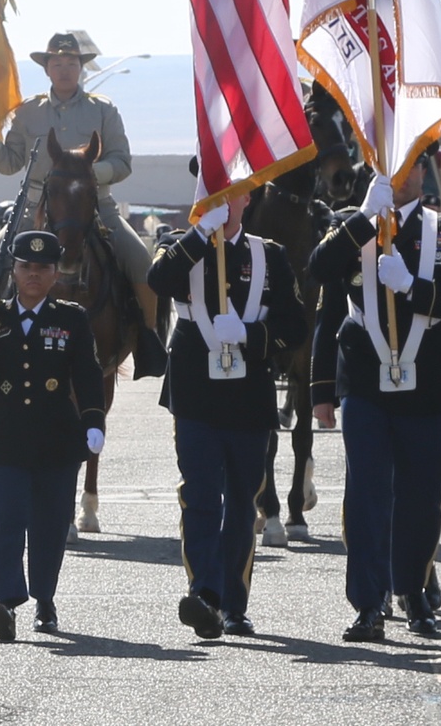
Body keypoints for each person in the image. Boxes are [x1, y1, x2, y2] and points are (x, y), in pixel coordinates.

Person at [309, 156, 441, 642]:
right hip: (365, 379)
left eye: (410, 164)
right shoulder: (350, 224)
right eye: (390, 164)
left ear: (425, 170)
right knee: (366, 493)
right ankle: (369, 604)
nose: (400, 174)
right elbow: (320, 282)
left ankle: (413, 590)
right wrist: (321, 390)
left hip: (426, 378)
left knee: (422, 493)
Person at [148, 194, 306, 640]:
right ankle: (205, 596)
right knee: (199, 495)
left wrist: (254, 335)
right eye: (210, 190)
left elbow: (295, 326)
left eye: (230, 191)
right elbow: (159, 280)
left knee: (241, 502)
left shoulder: (268, 255)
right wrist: (200, 235)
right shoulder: (177, 243)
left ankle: (235, 604)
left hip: (248, 396)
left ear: (247, 197)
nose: (221, 199)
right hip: (195, 394)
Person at [0, 231, 106, 640]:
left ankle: (44, 600)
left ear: (56, 273)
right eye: (25, 267)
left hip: (56, 438)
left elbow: (89, 374)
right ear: (14, 271)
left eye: (42, 268)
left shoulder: (71, 317)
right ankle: (4, 602)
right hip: (2, 439)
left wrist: (94, 420)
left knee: (51, 524)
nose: (33, 275)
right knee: (6, 520)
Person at [0, 32, 157, 337]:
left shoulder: (103, 109)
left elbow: (122, 162)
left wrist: (88, 175)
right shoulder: (28, 110)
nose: (65, 69)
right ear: (47, 69)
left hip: (94, 207)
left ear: (81, 67)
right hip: (35, 210)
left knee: (141, 261)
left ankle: (148, 338)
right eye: (57, 63)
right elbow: (9, 164)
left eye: (71, 62)